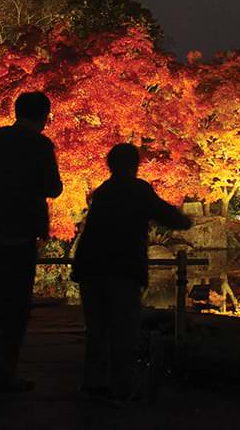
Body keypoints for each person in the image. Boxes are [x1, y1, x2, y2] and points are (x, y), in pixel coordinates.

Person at [71, 143, 192, 404]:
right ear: (134, 165)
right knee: (123, 330)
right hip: (121, 267)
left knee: (96, 330)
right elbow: (170, 216)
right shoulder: (137, 190)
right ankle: (121, 389)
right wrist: (185, 220)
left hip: (91, 266)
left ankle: (93, 384)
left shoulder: (102, 192)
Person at [0, 90, 62, 393]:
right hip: (22, 232)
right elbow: (53, 187)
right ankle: (5, 373)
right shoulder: (40, 145)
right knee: (16, 307)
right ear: (44, 117)